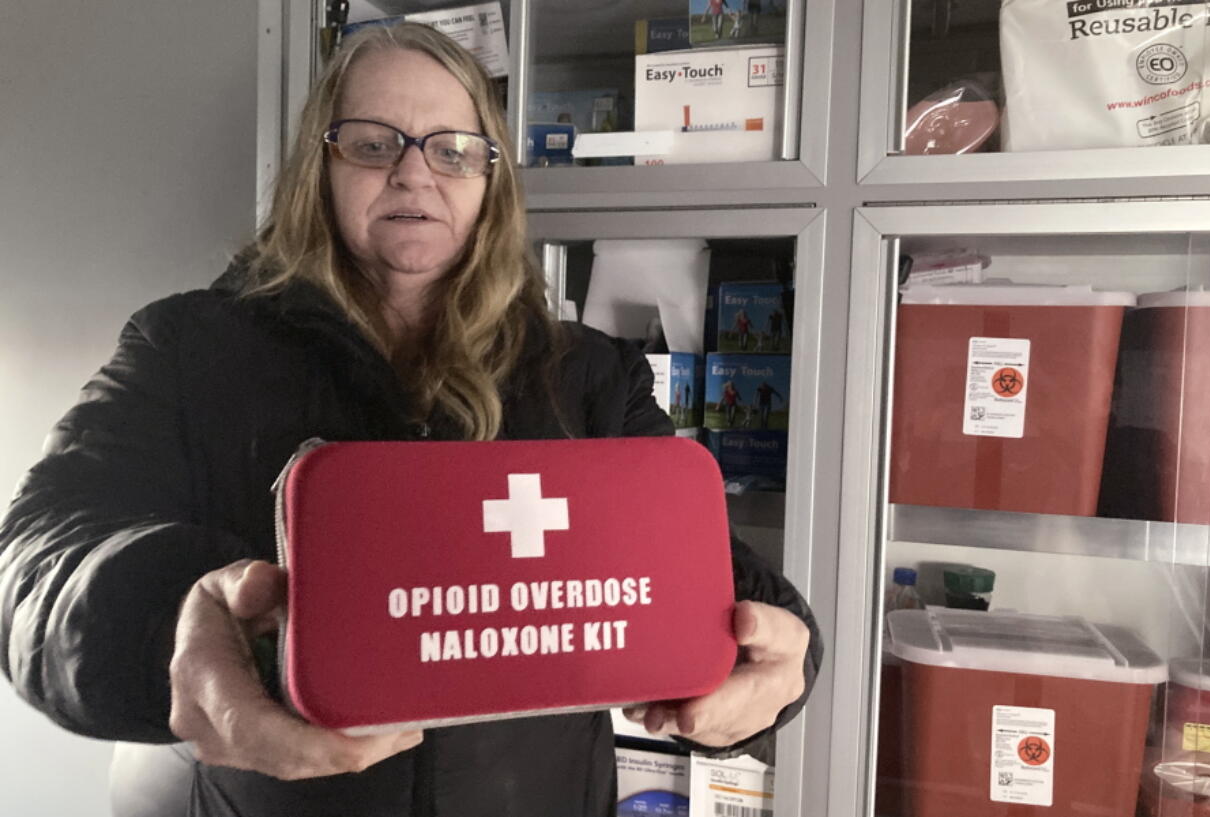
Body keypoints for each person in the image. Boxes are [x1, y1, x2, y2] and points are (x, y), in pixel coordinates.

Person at [0, 21, 820, 817]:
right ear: (316, 168)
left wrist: (784, 664)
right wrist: (164, 630)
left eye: (454, 149)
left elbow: (717, 579)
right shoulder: (188, 347)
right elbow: (34, 561)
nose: (414, 172)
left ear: (490, 181)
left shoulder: (591, 377)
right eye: (372, 142)